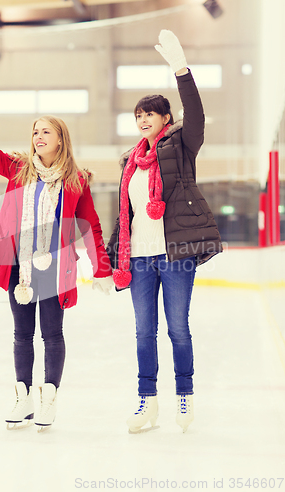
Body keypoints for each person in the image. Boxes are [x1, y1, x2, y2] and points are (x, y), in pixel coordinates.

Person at [0, 79, 113, 431]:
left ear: (60, 138)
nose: (38, 137)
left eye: (45, 131)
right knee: (22, 334)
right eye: (35, 132)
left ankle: (49, 399)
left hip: (55, 268)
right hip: (19, 266)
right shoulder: (19, 169)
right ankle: (23, 398)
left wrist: (102, 268)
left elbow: (90, 225)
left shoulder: (76, 179)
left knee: (52, 333)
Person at [107, 30, 222, 433]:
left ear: (166, 119)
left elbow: (198, 114)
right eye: (138, 115)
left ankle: (185, 397)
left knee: (178, 329)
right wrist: (110, 262)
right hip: (138, 258)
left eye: (149, 114)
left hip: (175, 256)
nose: (142, 120)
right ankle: (148, 402)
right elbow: (126, 216)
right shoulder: (129, 161)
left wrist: (181, 70)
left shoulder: (182, 146)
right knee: (143, 332)